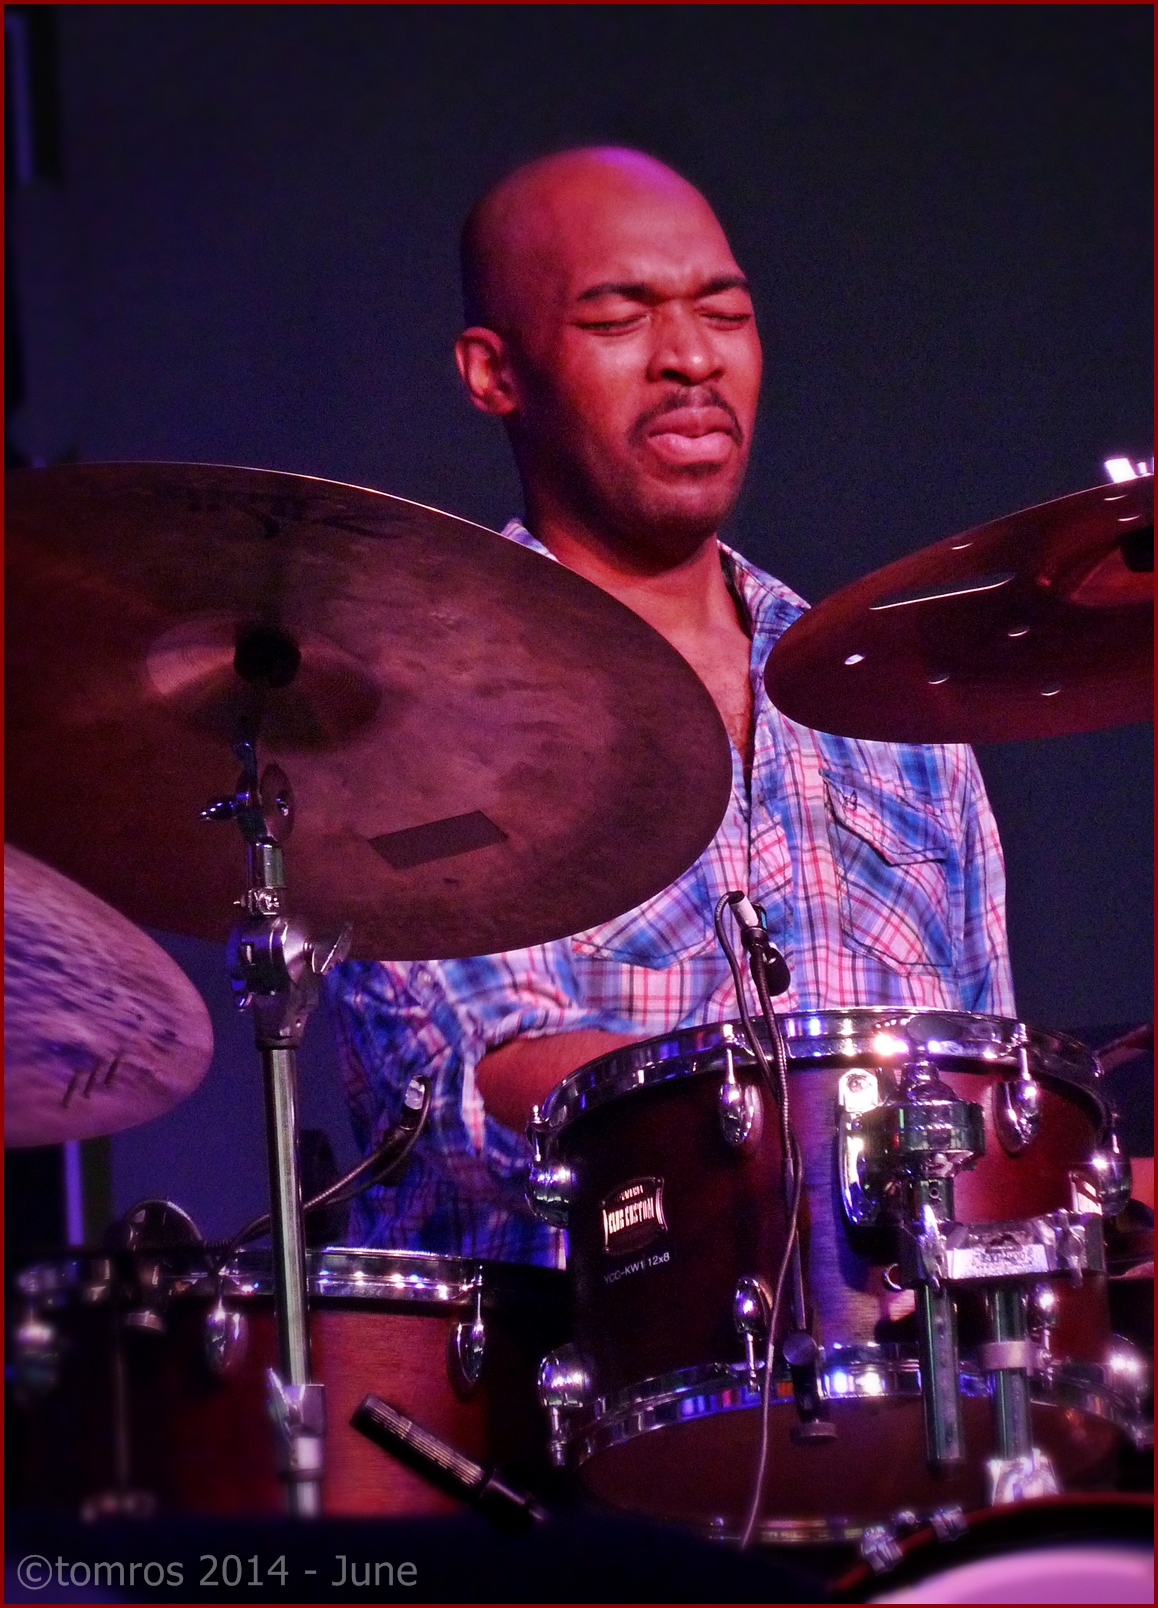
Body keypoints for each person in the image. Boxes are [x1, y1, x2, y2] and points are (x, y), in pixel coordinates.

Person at [324, 147, 1014, 1265]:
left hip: (895, 1396)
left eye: (725, 314)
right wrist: (795, 1135)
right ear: (493, 373)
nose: (690, 359)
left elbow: (988, 1097)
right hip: (545, 1405)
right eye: (619, 321)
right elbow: (475, 1089)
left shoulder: (892, 703)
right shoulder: (415, 710)